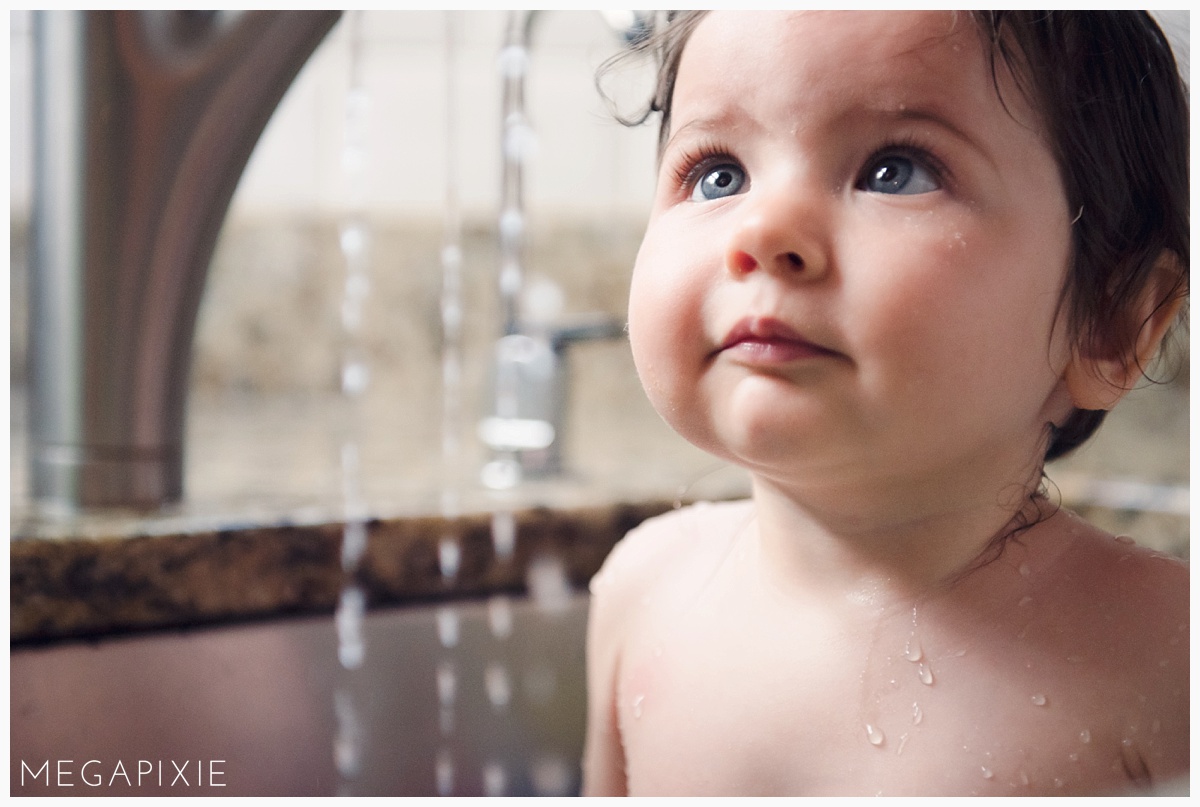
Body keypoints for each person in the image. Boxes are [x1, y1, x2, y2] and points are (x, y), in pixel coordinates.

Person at [583, 10, 1188, 796]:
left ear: (1110, 323)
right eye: (718, 174)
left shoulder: (1169, 659)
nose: (764, 230)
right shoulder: (643, 592)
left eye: (895, 170)